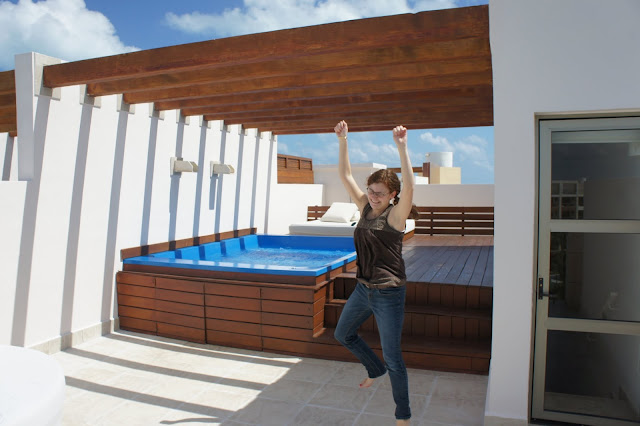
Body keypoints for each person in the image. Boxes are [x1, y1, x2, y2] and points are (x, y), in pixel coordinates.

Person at [333, 120, 418, 425]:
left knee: (394, 358)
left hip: (389, 293)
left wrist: (402, 147)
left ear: (393, 194)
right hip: (363, 289)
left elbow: (411, 186)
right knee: (343, 334)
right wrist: (343, 140)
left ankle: (403, 415)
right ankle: (374, 369)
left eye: (380, 193)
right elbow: (345, 175)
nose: (372, 196)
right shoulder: (365, 208)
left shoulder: (396, 216)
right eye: (370, 190)